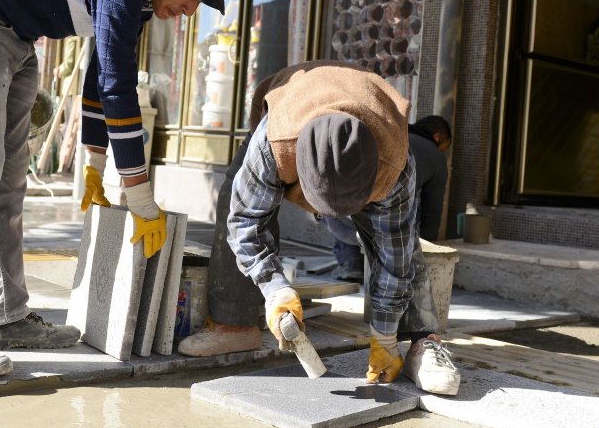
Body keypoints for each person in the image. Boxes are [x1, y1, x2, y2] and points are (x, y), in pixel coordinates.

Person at [0, 0, 235, 379]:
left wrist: (96, 161)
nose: (186, 10)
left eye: (196, 3)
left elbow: (100, 70)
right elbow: (116, 86)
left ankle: (4, 316)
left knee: (8, 183)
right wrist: (139, 196)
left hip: (16, 35)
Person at [177, 61, 460, 395]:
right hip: (292, 106)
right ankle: (234, 324)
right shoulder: (273, 146)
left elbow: (393, 254)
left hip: (373, 125)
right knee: (233, 199)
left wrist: (384, 336)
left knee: (401, 241)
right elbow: (245, 221)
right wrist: (275, 288)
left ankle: (422, 342)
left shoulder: (394, 165)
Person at [330, 115, 452, 282]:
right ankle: (389, 269)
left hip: (344, 202)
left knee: (348, 210)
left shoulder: (390, 134)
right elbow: (433, 207)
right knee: (407, 202)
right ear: (437, 137)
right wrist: (428, 246)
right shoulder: (436, 157)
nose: (442, 152)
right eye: (444, 147)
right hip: (387, 212)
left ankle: (352, 264)